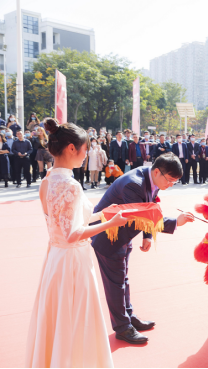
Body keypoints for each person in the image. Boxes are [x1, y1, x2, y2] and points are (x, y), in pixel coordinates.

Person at [25, 118, 129, 368]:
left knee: (58, 319)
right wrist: (110, 224)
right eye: (84, 150)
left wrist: (101, 214)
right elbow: (72, 233)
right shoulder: (70, 186)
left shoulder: (48, 180)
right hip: (73, 261)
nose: (86, 155)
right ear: (71, 148)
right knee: (77, 320)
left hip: (55, 259)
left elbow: (63, 223)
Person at [91, 153, 195, 344]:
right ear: (157, 171)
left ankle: (129, 316)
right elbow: (143, 216)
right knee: (116, 283)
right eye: (170, 180)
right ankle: (122, 328)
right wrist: (176, 222)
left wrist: (147, 235)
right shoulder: (135, 184)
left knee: (124, 279)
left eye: (175, 181)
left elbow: (149, 207)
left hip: (122, 234)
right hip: (108, 237)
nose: (171, 184)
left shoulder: (151, 179)